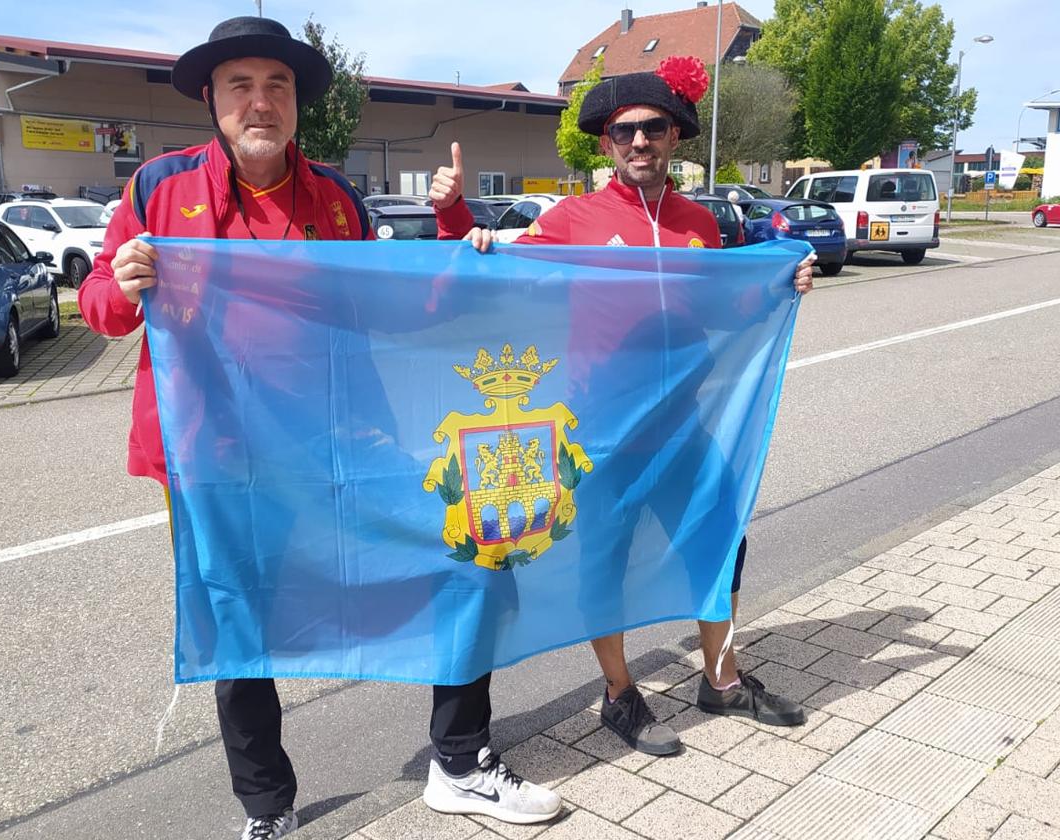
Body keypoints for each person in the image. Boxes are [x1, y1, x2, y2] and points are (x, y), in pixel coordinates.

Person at [78, 16, 560, 840]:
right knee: (242, 627)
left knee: (474, 551)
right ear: (211, 98)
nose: (261, 102)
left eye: (279, 86)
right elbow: (101, 311)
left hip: (338, 446)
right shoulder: (155, 190)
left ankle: (459, 760)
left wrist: (454, 234)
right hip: (215, 461)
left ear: (296, 102)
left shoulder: (336, 200)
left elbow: (393, 307)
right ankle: (268, 810)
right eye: (241, 85)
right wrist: (123, 284)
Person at [430, 56, 814, 758]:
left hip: (684, 424)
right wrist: (459, 216)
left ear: (674, 138)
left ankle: (721, 681)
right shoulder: (573, 219)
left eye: (655, 129)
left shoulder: (699, 221)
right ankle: (618, 694)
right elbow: (491, 269)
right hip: (600, 428)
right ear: (606, 145)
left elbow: (726, 303)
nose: (641, 142)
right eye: (625, 131)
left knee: (720, 542)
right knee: (602, 561)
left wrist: (785, 278)